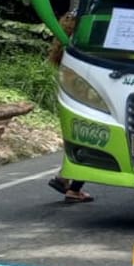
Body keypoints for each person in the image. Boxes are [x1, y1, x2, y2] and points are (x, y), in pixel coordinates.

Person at [45, 12, 94, 203]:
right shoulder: (79, 46)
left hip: (70, 99)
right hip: (84, 98)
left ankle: (63, 178)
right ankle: (74, 188)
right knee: (90, 141)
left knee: (78, 141)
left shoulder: (64, 46)